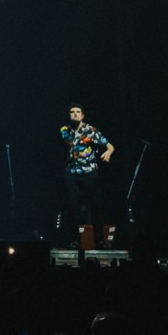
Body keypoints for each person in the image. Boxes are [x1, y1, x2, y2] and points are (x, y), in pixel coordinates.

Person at [58, 104, 114, 246]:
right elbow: (68, 144)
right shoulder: (65, 130)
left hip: (90, 173)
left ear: (82, 115)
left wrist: (108, 152)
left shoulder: (90, 130)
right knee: (72, 206)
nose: (75, 114)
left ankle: (100, 238)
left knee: (96, 205)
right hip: (72, 174)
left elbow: (110, 146)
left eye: (78, 112)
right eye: (72, 112)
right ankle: (75, 240)